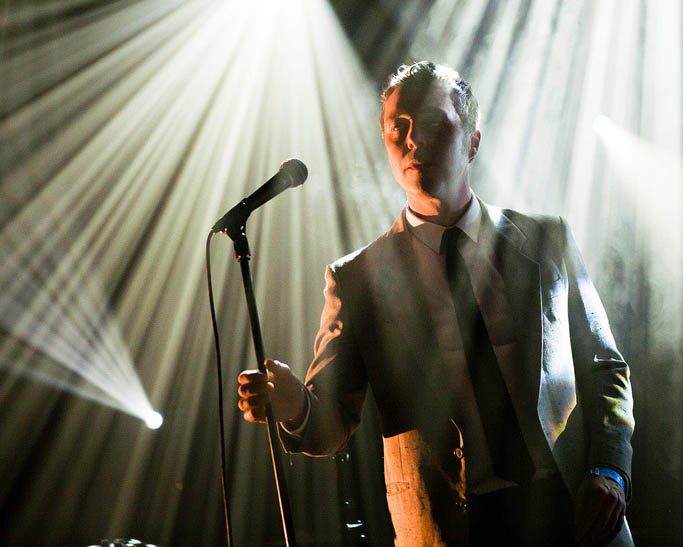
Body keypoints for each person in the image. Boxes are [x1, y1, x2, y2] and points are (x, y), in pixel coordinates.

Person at [237, 61, 635, 547]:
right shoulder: (356, 279)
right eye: (396, 128)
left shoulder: (546, 238)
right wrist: (295, 404)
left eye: (430, 122)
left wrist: (609, 469)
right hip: (446, 527)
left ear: (472, 140)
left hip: (570, 507)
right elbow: (330, 422)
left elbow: (605, 366)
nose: (411, 140)